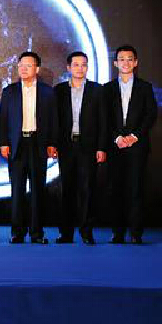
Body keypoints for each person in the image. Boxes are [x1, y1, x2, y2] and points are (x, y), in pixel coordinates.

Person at [0, 51, 58, 244]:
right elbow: (2, 120)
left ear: (37, 69)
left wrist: (52, 143)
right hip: (17, 145)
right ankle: (17, 232)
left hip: (38, 145)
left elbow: (54, 120)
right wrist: (3, 143)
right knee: (17, 191)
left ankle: (37, 233)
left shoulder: (48, 92)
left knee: (38, 191)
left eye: (28, 65)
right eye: (21, 65)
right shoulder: (9, 91)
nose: (23, 68)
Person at [103, 45, 158, 244]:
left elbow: (150, 115)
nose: (125, 63)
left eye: (129, 59)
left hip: (137, 146)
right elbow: (104, 118)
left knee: (135, 190)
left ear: (135, 62)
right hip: (115, 146)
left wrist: (135, 136)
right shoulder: (107, 89)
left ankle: (135, 233)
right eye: (121, 59)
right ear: (115, 63)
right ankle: (117, 233)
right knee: (115, 190)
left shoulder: (145, 87)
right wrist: (117, 138)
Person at [54, 51, 107, 245]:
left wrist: (101, 147)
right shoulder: (59, 90)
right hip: (66, 146)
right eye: (76, 64)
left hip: (89, 146)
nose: (80, 68)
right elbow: (54, 120)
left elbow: (103, 121)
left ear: (87, 67)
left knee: (87, 189)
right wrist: (53, 144)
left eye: (83, 64)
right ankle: (65, 233)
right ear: (68, 67)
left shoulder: (97, 90)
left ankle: (86, 232)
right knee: (67, 190)